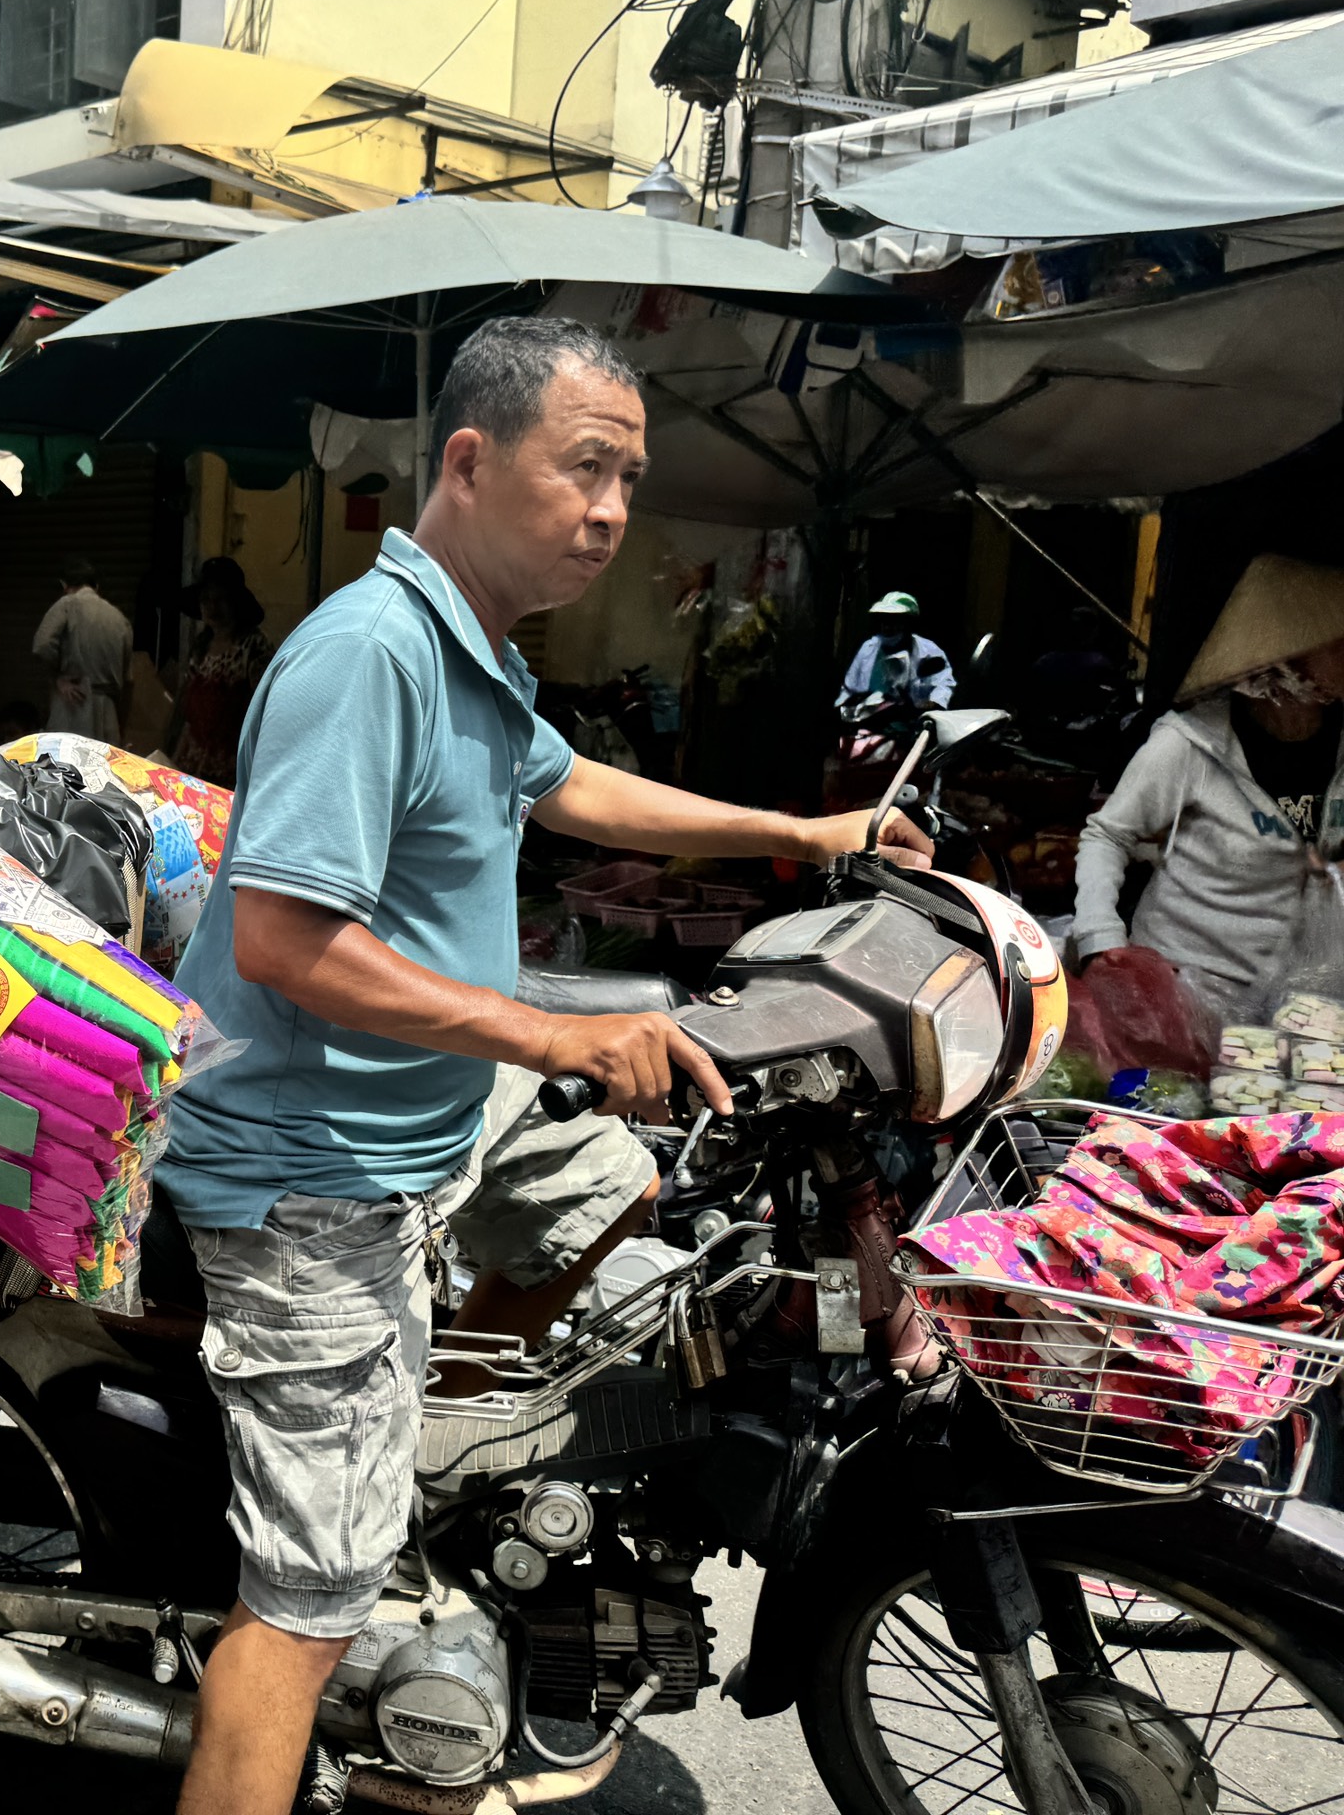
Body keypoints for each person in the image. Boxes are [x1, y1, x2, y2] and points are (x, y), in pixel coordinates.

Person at [162, 317, 931, 1815]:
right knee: (311, 1599)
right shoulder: (366, 658)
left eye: (630, 480)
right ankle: (349, 1545)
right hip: (303, 1166)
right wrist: (559, 1032)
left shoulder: (477, 649)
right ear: (470, 458)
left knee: (632, 1183)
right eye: (588, 470)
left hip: (428, 1109)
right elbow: (283, 943)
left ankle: (443, 1440)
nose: (614, 513)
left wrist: (796, 833)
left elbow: (571, 786)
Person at [1075, 553, 1344, 1020]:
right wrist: (1100, 942)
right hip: (1186, 1001)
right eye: (1336, 642)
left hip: (1306, 1015)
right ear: (1287, 658)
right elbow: (1109, 835)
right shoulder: (1190, 744)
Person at [168, 556, 273, 787]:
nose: (212, 607)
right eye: (206, 600)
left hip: (233, 770)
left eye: (221, 599)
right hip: (192, 767)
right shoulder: (200, 646)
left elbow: (266, 711)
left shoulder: (254, 647)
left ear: (235, 602)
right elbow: (185, 713)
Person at [31, 557, 133, 743]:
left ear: (64, 585)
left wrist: (58, 679)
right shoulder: (119, 619)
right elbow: (128, 682)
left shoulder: (67, 605)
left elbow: (42, 645)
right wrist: (120, 726)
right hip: (108, 712)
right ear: (97, 586)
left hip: (73, 705)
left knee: (65, 767)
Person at [836, 590, 955, 717]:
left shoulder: (927, 650)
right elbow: (850, 687)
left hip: (912, 722)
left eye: (894, 621)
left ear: (907, 623)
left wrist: (933, 702)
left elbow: (944, 683)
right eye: (884, 621)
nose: (887, 627)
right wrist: (842, 707)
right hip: (870, 720)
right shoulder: (868, 649)